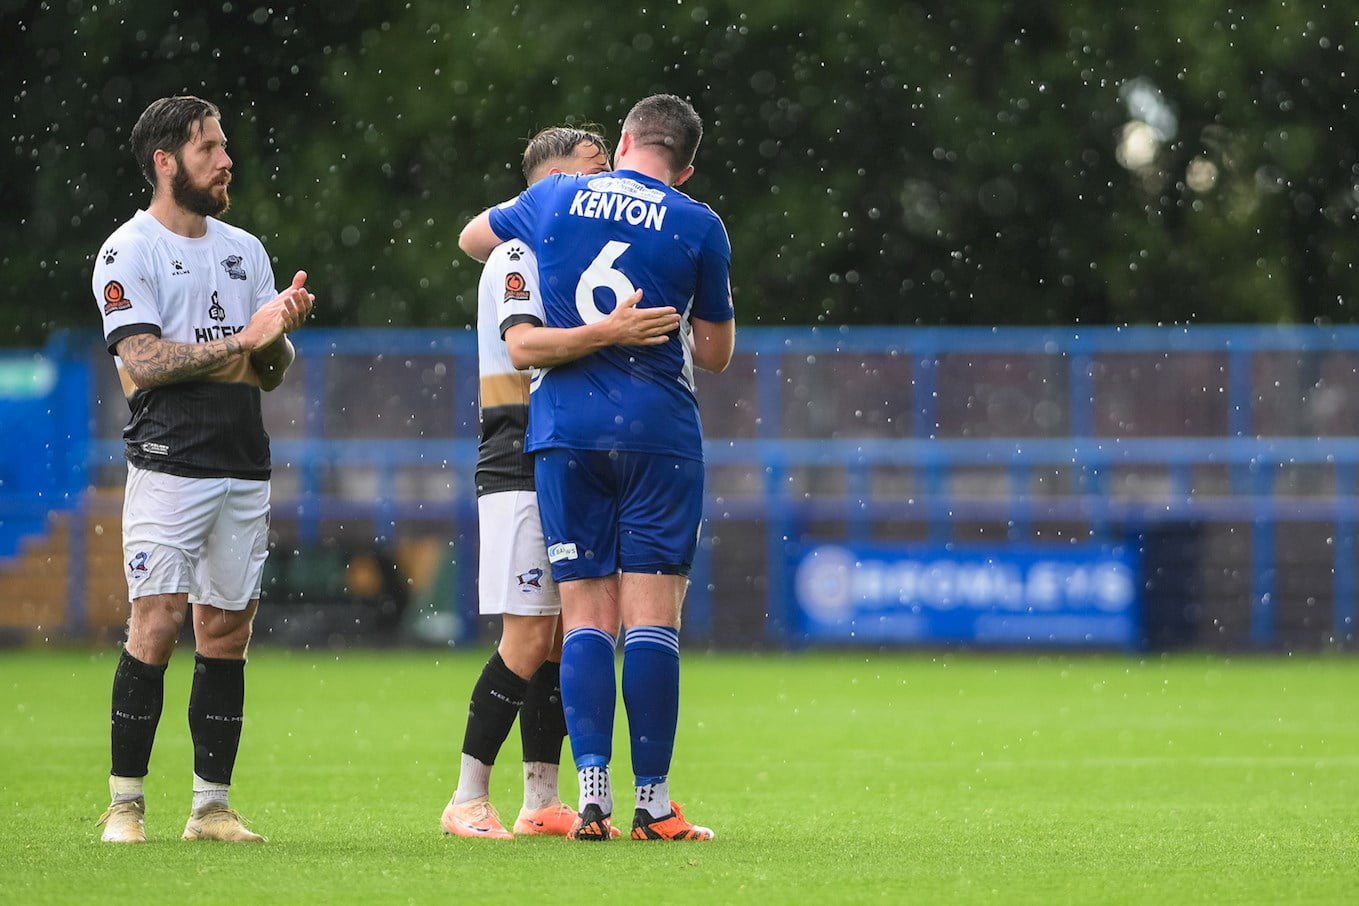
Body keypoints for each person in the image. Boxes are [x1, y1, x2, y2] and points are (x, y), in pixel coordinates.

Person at [458, 94, 735, 842]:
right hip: (657, 431)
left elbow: (474, 236)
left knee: (581, 619)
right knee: (651, 620)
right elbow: (714, 354)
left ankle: (590, 798)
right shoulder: (698, 222)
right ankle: (654, 804)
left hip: (563, 431)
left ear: (624, 139)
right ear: (685, 167)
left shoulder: (552, 200)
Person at [90, 95, 314, 844]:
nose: (225, 161)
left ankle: (210, 809)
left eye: (223, 146)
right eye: (208, 149)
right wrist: (242, 343)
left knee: (226, 631)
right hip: (168, 461)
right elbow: (145, 361)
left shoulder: (245, 249)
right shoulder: (128, 251)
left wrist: (278, 332)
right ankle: (126, 805)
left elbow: (271, 373)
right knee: (156, 622)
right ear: (165, 161)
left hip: (242, 462)